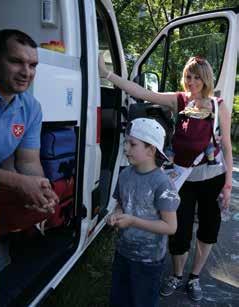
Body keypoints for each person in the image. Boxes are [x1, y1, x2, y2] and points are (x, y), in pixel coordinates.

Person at [99, 55, 233, 301]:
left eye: (196, 77)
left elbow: (226, 146)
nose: (191, 82)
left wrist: (227, 184)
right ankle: (177, 274)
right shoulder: (179, 100)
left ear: (206, 79)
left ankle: (194, 277)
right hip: (181, 179)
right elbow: (142, 92)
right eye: (188, 76)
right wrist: (108, 75)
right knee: (178, 230)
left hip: (212, 178)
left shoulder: (218, 105)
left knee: (208, 230)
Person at [0, 29, 59, 236]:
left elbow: (28, 162)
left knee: (42, 204)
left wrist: (42, 189)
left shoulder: (31, 107)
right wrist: (20, 183)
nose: (26, 72)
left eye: (32, 65)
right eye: (16, 61)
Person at [107, 118, 180, 307]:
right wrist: (116, 214)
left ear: (151, 149)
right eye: (126, 143)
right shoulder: (124, 174)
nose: (125, 148)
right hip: (123, 253)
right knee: (119, 300)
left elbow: (170, 226)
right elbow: (121, 204)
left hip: (149, 261)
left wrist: (132, 221)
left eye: (132, 144)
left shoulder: (163, 184)